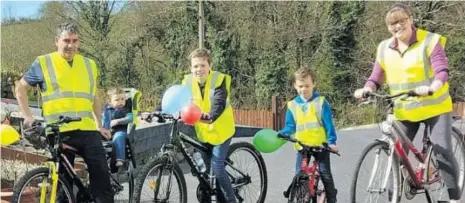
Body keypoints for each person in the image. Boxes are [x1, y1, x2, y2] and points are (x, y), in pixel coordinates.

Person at [353, 3, 461, 202]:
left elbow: (441, 70)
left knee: (442, 150)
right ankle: (399, 188)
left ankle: (453, 197)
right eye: (392, 23)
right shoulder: (384, 47)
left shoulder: (429, 41)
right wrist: (368, 88)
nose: (398, 26)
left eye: (402, 20)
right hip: (406, 109)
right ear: (388, 27)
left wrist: (434, 86)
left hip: (435, 107)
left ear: (411, 20)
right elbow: (376, 76)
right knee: (396, 150)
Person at [15, 22, 114, 203]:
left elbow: (94, 97)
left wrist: (99, 124)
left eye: (75, 40)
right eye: (66, 40)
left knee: (101, 179)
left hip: (87, 130)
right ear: (56, 41)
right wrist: (27, 116)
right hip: (59, 132)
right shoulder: (44, 63)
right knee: (62, 184)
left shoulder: (89, 64)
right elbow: (20, 88)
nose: (71, 45)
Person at [181, 48, 237, 203]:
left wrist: (211, 115)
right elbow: (176, 97)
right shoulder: (187, 82)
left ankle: (231, 200)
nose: (199, 69)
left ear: (210, 65)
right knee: (204, 172)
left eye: (202, 65)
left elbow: (219, 102)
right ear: (190, 68)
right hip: (203, 133)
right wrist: (158, 111)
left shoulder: (219, 80)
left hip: (221, 132)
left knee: (217, 169)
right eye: (195, 66)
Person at [279, 67, 339, 203]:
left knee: (325, 174)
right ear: (295, 85)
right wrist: (283, 133)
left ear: (314, 84)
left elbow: (329, 125)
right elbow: (290, 126)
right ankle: (300, 199)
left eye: (307, 85)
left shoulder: (321, 102)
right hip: (302, 147)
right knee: (299, 177)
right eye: (300, 86)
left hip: (321, 146)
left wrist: (332, 142)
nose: (304, 89)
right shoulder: (292, 105)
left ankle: (332, 199)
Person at [102, 87, 133, 168]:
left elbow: (130, 118)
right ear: (110, 102)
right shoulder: (107, 109)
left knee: (118, 136)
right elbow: (104, 120)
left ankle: (120, 159)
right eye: (117, 100)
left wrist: (118, 121)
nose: (120, 102)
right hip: (108, 131)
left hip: (121, 131)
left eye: (123, 99)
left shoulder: (126, 109)